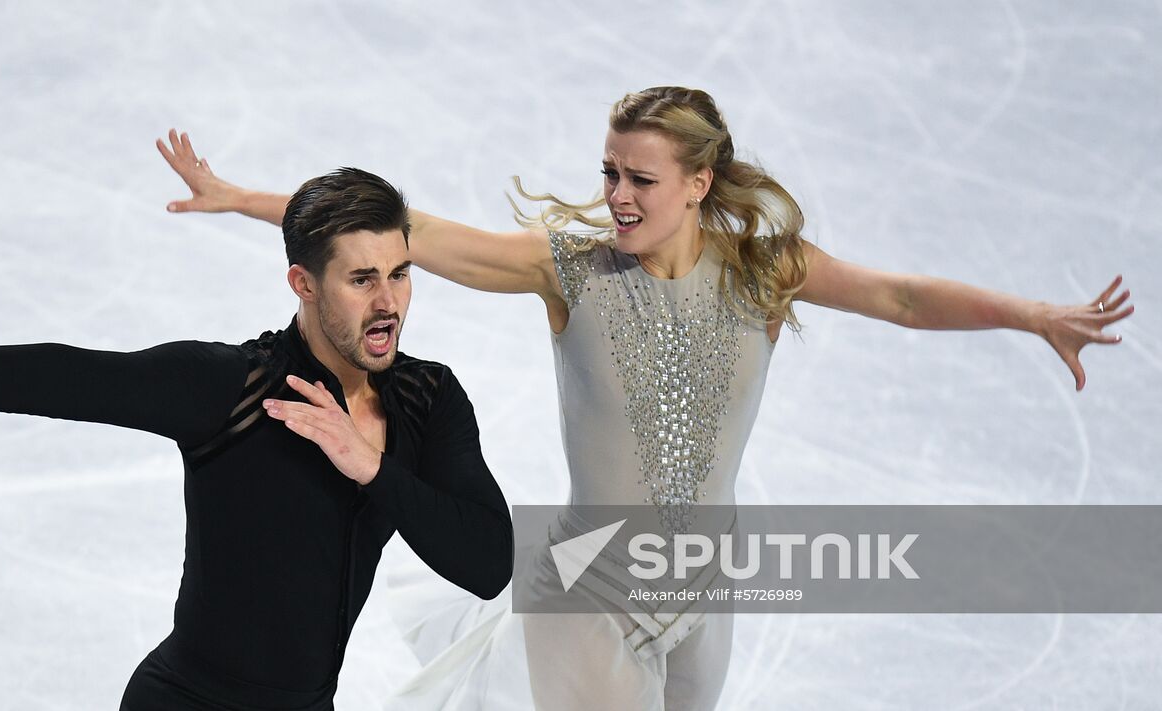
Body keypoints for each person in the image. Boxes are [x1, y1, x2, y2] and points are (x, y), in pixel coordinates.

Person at [155, 87, 1134, 710]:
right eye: (608, 173)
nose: (617, 195)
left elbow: (902, 298)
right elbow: (407, 231)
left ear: (699, 182)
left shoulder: (765, 269)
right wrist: (248, 199)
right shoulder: (568, 272)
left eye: (641, 177)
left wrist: (1032, 312)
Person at [0, 167, 515, 711]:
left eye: (399, 274)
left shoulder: (427, 398)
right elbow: (78, 376)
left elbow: (488, 564)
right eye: (362, 279)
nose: (389, 302)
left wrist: (371, 466)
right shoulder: (236, 389)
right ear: (304, 283)